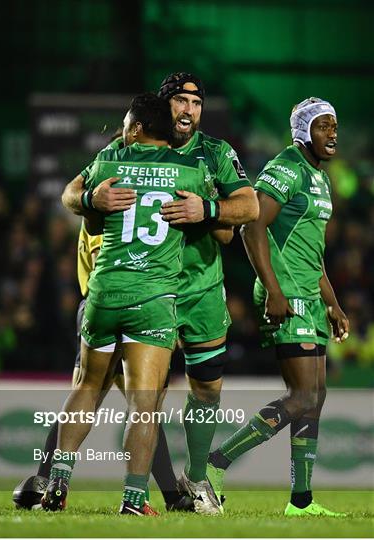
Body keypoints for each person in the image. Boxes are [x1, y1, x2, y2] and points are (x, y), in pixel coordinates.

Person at [61, 73, 259, 515]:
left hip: (200, 289)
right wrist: (92, 197)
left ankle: (197, 477)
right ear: (162, 106)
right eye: (181, 101)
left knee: (207, 389)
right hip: (149, 292)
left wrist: (207, 209)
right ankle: (147, 492)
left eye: (197, 102)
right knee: (148, 396)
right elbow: (73, 192)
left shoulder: (215, 152)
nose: (189, 109)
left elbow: (250, 206)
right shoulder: (123, 148)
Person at [42, 93, 215, 516]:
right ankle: (134, 500)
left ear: (136, 128)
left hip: (103, 294)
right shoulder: (190, 171)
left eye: (124, 124)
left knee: (85, 387)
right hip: (152, 299)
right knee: (145, 404)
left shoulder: (107, 166)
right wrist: (208, 208)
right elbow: (228, 220)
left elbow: (73, 195)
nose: (120, 130)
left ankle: (57, 485)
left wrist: (88, 201)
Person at [206, 97, 349, 517]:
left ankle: (301, 502)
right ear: (303, 131)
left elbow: (312, 251)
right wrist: (273, 289)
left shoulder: (320, 180)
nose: (332, 133)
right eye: (323, 125)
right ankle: (217, 462)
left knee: (314, 397)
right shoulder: (287, 166)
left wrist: (334, 304)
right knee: (303, 395)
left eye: (334, 125)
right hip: (285, 292)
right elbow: (253, 225)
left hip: (307, 291)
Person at [13, 218, 193, 514]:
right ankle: (170, 495)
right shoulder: (120, 212)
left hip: (96, 307)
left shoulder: (101, 204)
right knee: (142, 405)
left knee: (85, 392)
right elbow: (104, 261)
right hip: (127, 301)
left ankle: (46, 480)